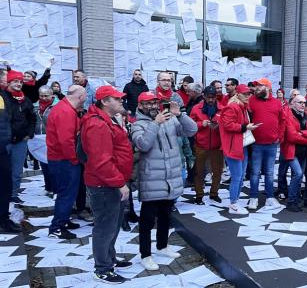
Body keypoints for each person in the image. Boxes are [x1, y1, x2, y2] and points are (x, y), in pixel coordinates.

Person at [131, 91, 196, 271]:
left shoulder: (171, 120)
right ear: (140, 106)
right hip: (152, 179)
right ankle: (145, 254)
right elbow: (143, 145)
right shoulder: (138, 125)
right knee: (147, 220)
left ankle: (162, 246)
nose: (152, 106)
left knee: (166, 216)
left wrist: (180, 114)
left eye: (154, 103)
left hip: (170, 178)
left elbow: (192, 130)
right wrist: (155, 123)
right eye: (148, 104)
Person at [81, 85, 133, 284]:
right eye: (117, 99)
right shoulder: (97, 125)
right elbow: (100, 161)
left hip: (112, 181)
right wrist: (120, 183)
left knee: (114, 225)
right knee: (105, 227)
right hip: (105, 185)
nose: (121, 101)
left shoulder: (107, 120)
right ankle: (102, 268)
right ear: (105, 101)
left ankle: (109, 258)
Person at [46, 85, 87, 239]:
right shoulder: (65, 112)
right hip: (64, 159)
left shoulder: (64, 108)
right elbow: (66, 141)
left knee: (68, 192)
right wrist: (75, 159)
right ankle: (57, 227)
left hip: (61, 158)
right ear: (81, 96)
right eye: (84, 96)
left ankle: (64, 219)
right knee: (66, 193)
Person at [220, 84, 258, 214]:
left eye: (249, 94)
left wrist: (247, 126)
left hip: (241, 145)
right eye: (246, 94)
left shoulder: (242, 107)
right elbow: (228, 125)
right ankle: (233, 204)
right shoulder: (233, 106)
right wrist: (245, 127)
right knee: (237, 176)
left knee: (240, 176)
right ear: (238, 94)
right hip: (233, 146)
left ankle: (234, 201)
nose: (248, 96)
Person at [247, 78, 284, 210]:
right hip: (256, 143)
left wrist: (279, 136)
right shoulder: (252, 100)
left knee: (269, 172)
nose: (256, 88)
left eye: (259, 86)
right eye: (256, 86)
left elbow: (282, 121)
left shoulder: (277, 103)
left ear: (268, 88)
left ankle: (269, 197)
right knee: (255, 172)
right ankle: (253, 197)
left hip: (272, 143)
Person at [280, 95, 307, 212]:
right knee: (297, 174)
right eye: (300, 102)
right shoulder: (289, 116)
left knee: (299, 176)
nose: (303, 105)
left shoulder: (306, 116)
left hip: (303, 152)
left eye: (304, 103)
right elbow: (291, 137)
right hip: (292, 151)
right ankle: (291, 201)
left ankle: (296, 200)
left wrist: (301, 133)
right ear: (292, 104)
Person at [4, 70, 36, 204]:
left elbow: (32, 118)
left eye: (21, 82)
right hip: (5, 141)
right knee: (4, 170)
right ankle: (3, 195)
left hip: (20, 142)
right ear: (9, 82)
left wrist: (29, 133)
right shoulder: (3, 97)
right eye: (15, 81)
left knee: (17, 171)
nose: (19, 84)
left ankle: (13, 194)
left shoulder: (26, 100)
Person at [190, 86, 224, 204]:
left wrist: (218, 125)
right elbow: (190, 125)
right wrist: (201, 124)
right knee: (199, 172)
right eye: (208, 97)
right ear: (204, 96)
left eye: (213, 97)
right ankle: (199, 195)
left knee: (218, 172)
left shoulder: (222, 108)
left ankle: (214, 193)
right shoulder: (196, 108)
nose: (211, 99)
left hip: (216, 146)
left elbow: (226, 124)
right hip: (201, 145)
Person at [0, 71, 22, 233]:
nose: (5, 79)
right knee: (3, 185)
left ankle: (3, 218)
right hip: (2, 149)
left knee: (5, 186)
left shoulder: (5, 96)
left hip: (4, 148)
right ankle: (3, 220)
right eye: (3, 77)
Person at [34, 86, 58, 196]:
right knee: (43, 164)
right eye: (41, 96)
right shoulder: (35, 106)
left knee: (53, 165)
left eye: (46, 96)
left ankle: (56, 189)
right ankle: (48, 186)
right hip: (39, 138)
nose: (43, 98)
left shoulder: (57, 106)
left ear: (52, 95)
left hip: (52, 137)